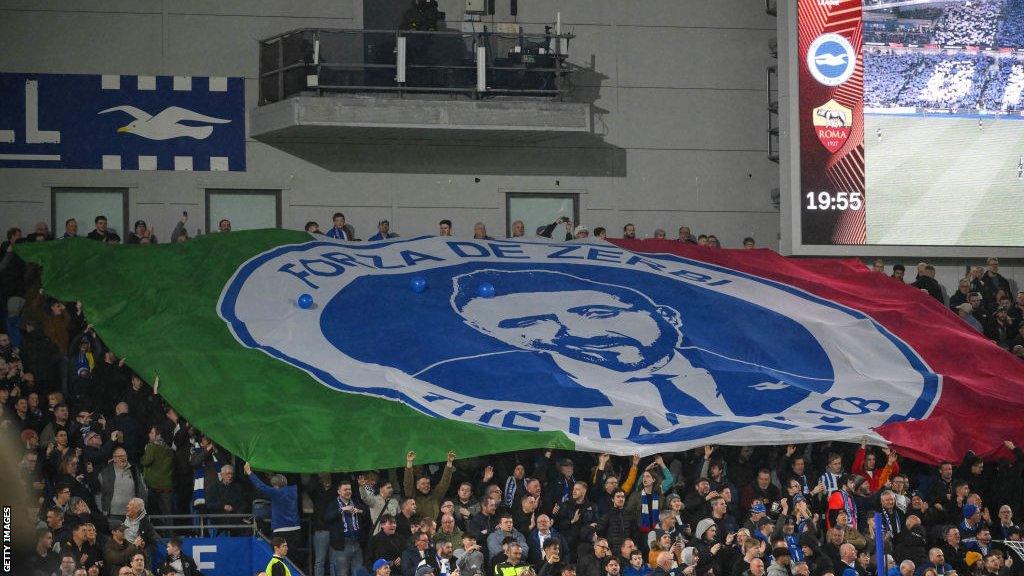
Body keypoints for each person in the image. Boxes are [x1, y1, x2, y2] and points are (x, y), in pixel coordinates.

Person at [246, 462, 302, 555]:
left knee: (279, 557)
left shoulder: (276, 492)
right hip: (296, 529)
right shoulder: (293, 490)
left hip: (281, 530)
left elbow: (261, 486)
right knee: (293, 558)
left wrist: (249, 472)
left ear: (275, 486)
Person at [96, 447, 149, 525]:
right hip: (112, 514)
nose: (123, 458)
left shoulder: (135, 471)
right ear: (114, 458)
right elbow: (98, 494)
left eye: (124, 456)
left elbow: (143, 490)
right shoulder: (104, 473)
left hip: (132, 513)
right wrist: (102, 511)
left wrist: (141, 509)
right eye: (120, 456)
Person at [325, 480, 367, 576]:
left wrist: (359, 511)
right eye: (345, 489)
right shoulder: (333, 504)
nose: (348, 491)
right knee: (341, 573)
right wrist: (342, 509)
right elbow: (327, 517)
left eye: (350, 489)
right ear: (339, 491)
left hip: (356, 544)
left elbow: (367, 513)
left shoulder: (355, 502)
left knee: (358, 573)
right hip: (341, 545)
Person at [404, 450, 456, 523]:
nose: (426, 486)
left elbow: (445, 483)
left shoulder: (435, 496)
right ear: (417, 486)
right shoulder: (412, 497)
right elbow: (408, 483)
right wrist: (409, 463)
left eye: (428, 483)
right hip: (418, 529)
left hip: (434, 529)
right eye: (423, 484)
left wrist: (449, 463)